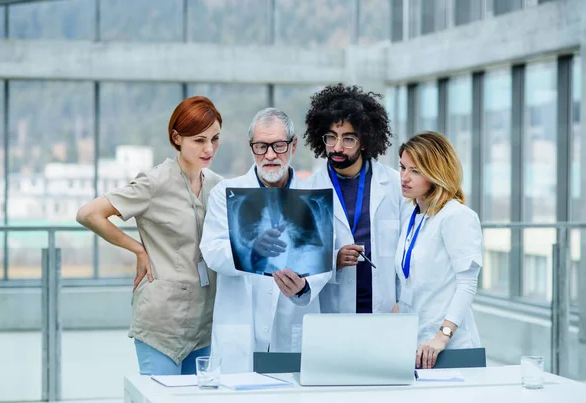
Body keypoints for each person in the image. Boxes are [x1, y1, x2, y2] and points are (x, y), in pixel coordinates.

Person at [75, 96, 223, 375]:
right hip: (161, 322)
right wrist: (138, 250)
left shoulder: (218, 185)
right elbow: (88, 214)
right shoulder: (155, 182)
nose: (209, 148)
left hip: (204, 323)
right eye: (199, 140)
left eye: (215, 139)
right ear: (177, 138)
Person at [200, 107, 331, 374]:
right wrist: (250, 249)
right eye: (261, 146)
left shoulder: (315, 196)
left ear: (293, 145)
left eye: (279, 145)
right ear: (251, 148)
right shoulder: (224, 193)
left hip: (292, 323)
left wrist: (304, 286)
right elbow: (212, 251)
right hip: (240, 327)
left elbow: (326, 256)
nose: (270, 155)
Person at [303, 83, 407, 314]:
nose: (337, 147)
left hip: (386, 309)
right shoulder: (309, 190)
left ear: (364, 141)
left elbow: (409, 251)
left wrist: (406, 301)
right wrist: (334, 259)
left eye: (348, 139)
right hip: (334, 310)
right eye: (331, 137)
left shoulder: (394, 185)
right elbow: (303, 257)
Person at [395, 131, 483, 369]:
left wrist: (442, 336)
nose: (404, 177)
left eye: (415, 171)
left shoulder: (457, 216)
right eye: (402, 167)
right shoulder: (413, 217)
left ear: (436, 173)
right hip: (416, 346)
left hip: (448, 348)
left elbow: (467, 284)